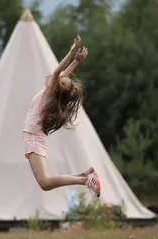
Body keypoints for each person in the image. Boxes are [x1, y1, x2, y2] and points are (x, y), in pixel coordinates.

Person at [22, 35, 101, 197]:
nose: (62, 77)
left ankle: (86, 180)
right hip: (34, 136)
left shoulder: (50, 93)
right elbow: (62, 74)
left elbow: (58, 72)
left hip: (34, 137)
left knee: (44, 182)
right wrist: (76, 61)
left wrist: (72, 51)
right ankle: (85, 176)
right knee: (44, 183)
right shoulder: (52, 94)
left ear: (57, 87)